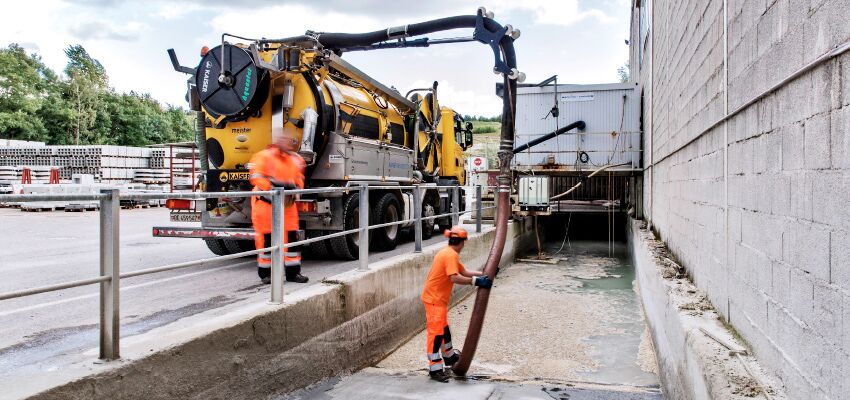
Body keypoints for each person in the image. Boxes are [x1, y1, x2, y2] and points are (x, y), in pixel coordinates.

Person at [420, 226, 492, 382]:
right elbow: (455, 277)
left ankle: (449, 356)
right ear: (462, 243)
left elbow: (464, 272)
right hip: (434, 300)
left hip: (437, 300)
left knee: (444, 331)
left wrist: (485, 274)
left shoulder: (448, 253)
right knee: (436, 335)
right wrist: (476, 281)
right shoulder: (450, 255)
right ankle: (435, 369)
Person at [249, 132, 309, 284]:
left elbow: (299, 178)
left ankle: (293, 273)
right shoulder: (263, 156)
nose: (289, 143)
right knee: (267, 240)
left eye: (290, 140)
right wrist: (276, 186)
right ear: (277, 141)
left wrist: (295, 188)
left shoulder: (296, 159)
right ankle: (265, 274)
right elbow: (255, 176)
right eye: (285, 140)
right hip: (265, 204)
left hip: (287, 206)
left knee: (292, 239)